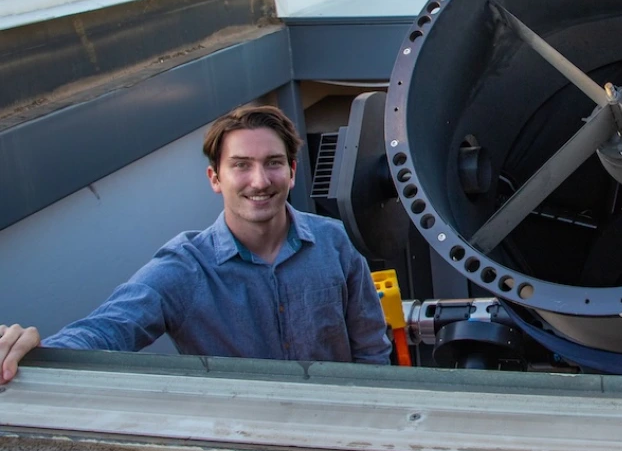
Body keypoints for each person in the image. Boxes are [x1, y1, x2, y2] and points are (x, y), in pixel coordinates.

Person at [0, 105, 390, 384]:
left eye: (273, 163)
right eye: (240, 165)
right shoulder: (185, 268)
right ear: (215, 178)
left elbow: (371, 347)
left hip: (338, 427)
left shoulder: (332, 242)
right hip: (237, 442)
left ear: (291, 173)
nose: (259, 180)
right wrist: (39, 350)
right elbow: (109, 328)